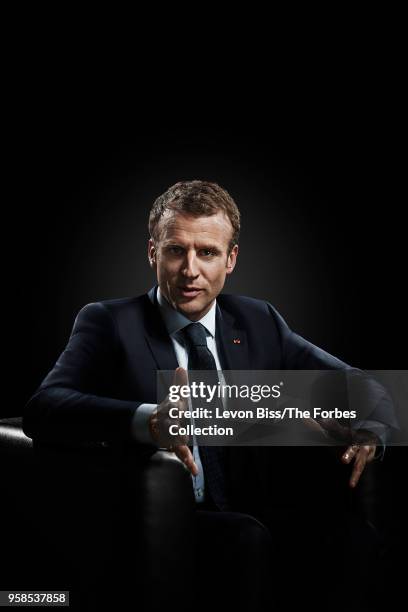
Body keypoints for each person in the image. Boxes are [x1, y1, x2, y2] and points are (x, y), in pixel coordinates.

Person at [23, 180, 393, 611]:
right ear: (152, 253)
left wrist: (373, 428)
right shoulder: (108, 323)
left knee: (354, 538)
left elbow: (359, 384)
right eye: (176, 250)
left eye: (208, 252)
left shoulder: (258, 320)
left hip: (257, 505)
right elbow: (43, 408)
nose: (190, 270)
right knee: (243, 539)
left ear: (231, 259)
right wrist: (149, 421)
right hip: (164, 521)